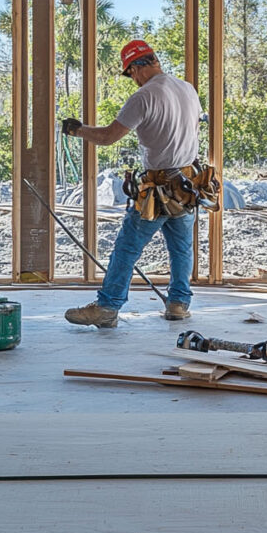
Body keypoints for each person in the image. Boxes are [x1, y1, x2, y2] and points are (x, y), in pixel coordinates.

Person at [59, 40, 204, 327]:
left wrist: (78, 130)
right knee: (181, 248)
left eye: (130, 73)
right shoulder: (187, 88)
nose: (133, 80)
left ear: (137, 67)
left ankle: (108, 306)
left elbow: (109, 136)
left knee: (127, 246)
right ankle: (178, 303)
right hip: (188, 184)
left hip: (160, 186)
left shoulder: (144, 97)